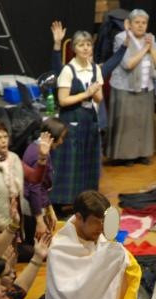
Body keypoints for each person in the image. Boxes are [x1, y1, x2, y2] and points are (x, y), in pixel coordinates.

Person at [51, 31, 104, 208]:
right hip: (71, 120)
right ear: (74, 48)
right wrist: (86, 94)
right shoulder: (68, 70)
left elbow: (99, 98)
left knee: (88, 162)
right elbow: (63, 100)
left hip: (89, 120)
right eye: (81, 45)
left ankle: (86, 201)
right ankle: (62, 202)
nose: (86, 48)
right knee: (71, 163)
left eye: (88, 44)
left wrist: (94, 93)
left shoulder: (95, 69)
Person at [107, 9, 156, 166]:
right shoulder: (121, 38)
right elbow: (128, 64)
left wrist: (151, 48)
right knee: (128, 124)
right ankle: (125, 156)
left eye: (144, 23)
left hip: (146, 87)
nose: (140, 25)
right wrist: (145, 49)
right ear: (129, 24)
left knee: (143, 123)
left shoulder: (150, 38)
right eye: (137, 22)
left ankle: (142, 154)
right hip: (125, 87)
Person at [0, 121, 49, 229]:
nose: (3, 141)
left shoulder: (13, 158)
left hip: (15, 222)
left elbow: (34, 178)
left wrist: (42, 158)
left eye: (5, 136)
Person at [22, 118, 67, 240]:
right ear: (52, 137)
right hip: (32, 209)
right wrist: (40, 221)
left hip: (37, 205)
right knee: (38, 245)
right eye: (61, 138)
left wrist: (49, 209)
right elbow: (34, 189)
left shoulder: (37, 148)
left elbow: (42, 186)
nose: (62, 141)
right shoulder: (37, 154)